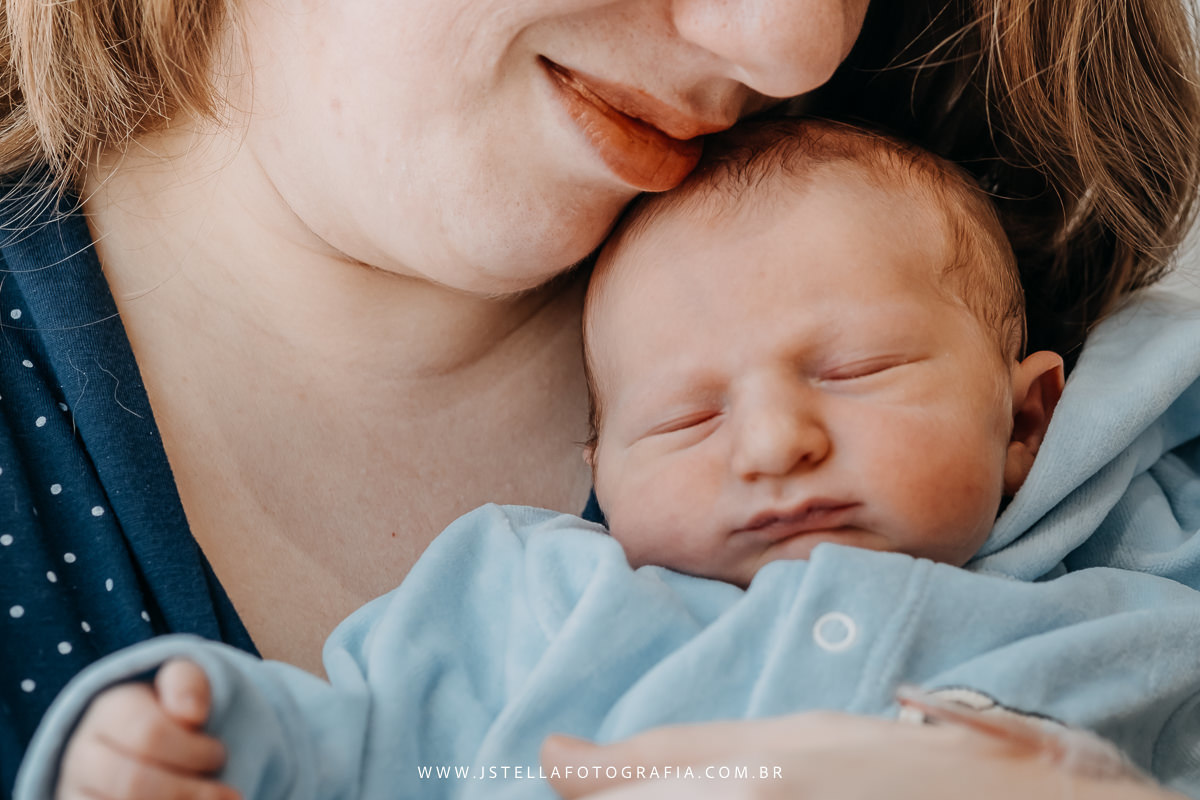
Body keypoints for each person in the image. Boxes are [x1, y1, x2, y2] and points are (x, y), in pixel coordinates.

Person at [2, 1, 1199, 798]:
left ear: (1026, 419)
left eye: (856, 369)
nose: (791, 47)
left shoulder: (1080, 427)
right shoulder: (514, 596)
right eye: (682, 416)